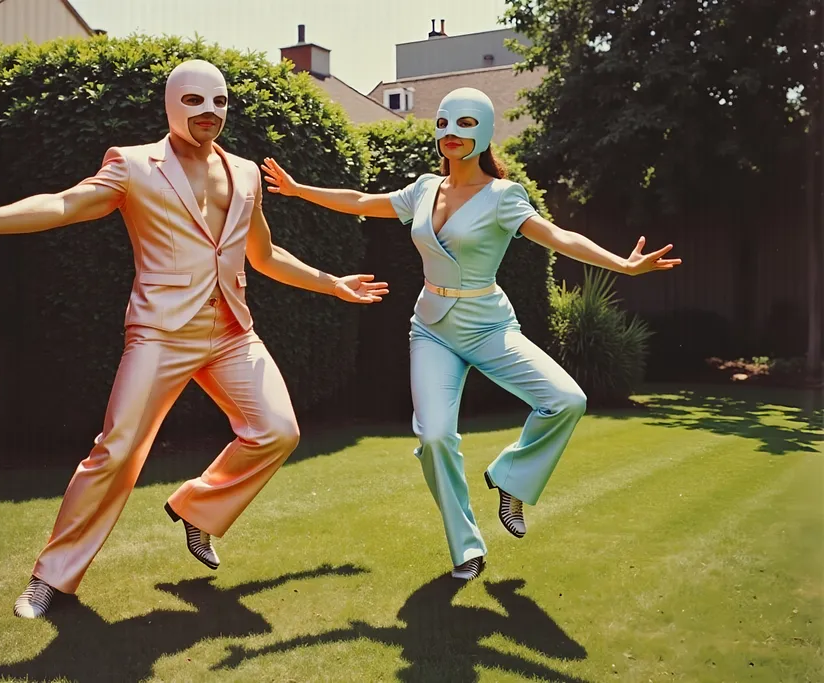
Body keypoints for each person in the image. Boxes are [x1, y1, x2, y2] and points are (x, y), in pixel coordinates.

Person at [0, 59, 389, 618]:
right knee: (116, 451)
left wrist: (332, 284)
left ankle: (197, 509)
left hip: (232, 330)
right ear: (171, 104)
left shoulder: (246, 173)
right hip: (161, 333)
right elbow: (67, 203)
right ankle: (51, 578)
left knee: (277, 430)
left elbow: (263, 254)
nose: (209, 112)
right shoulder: (134, 165)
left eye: (219, 101)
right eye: (194, 101)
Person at [261, 87, 680, 581]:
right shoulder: (422, 189)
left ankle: (510, 478)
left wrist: (621, 266)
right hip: (432, 329)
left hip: (488, 327)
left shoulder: (505, 197)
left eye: (463, 125)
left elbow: (559, 237)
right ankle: (466, 548)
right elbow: (360, 200)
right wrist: (298, 190)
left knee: (567, 400)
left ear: (482, 132)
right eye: (443, 125)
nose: (451, 135)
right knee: (435, 437)